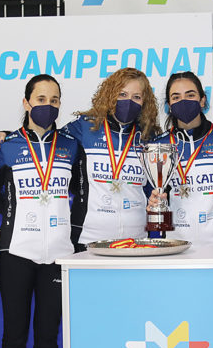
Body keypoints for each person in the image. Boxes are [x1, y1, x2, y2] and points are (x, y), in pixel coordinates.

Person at [0, 74, 80, 348]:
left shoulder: (72, 146)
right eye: (41, 97)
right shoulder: (6, 146)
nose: (48, 104)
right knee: (14, 336)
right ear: (26, 103)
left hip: (58, 253)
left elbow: (79, 191)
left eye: (55, 98)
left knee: (48, 337)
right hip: (16, 252)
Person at [147, 71, 213, 246]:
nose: (183, 101)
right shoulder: (159, 145)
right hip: (175, 246)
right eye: (176, 97)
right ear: (169, 105)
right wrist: (153, 204)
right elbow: (155, 198)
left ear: (202, 100)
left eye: (190, 95)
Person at [65, 67, 160, 244]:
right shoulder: (84, 128)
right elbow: (48, 142)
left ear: (144, 103)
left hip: (137, 239)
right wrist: (4, 135)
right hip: (89, 238)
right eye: (122, 94)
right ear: (110, 94)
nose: (128, 101)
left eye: (136, 97)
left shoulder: (148, 136)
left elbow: (153, 188)